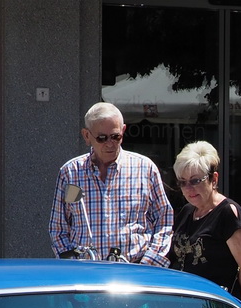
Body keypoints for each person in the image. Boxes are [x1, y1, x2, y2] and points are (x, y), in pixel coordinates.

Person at [48, 102, 173, 264]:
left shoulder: (145, 169)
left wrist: (148, 264)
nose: (109, 143)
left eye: (115, 137)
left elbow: (164, 220)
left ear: (123, 131)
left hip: (135, 271)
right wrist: (72, 265)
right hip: (86, 273)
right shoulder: (71, 173)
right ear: (87, 136)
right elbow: (58, 228)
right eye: (102, 138)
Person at [168, 141, 241, 301]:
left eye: (195, 181)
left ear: (214, 179)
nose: (188, 188)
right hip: (180, 307)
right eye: (183, 182)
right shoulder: (187, 211)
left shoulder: (228, 213)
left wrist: (230, 307)